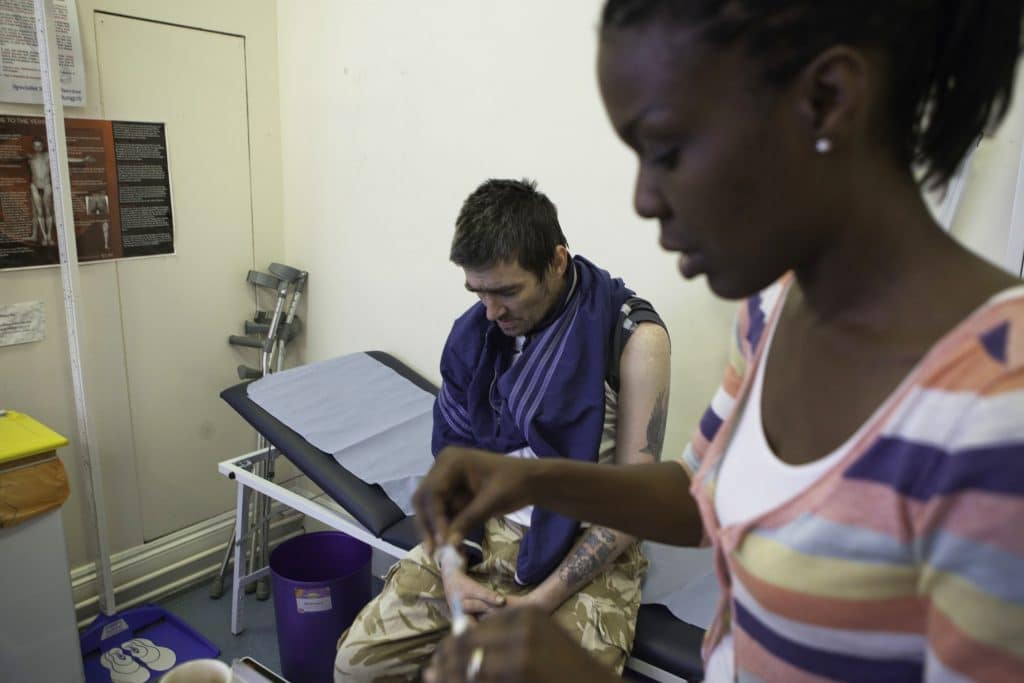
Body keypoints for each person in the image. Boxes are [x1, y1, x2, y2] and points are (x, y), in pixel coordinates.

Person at [413, 2, 1024, 682]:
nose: (645, 198)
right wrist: (528, 476)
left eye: (669, 149)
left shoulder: (996, 413)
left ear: (826, 101)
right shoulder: (771, 307)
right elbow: (701, 497)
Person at [333, 178, 672, 681]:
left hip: (581, 545)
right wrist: (451, 573)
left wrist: (539, 603)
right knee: (356, 666)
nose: (492, 312)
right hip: (479, 525)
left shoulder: (634, 340)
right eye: (479, 292)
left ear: (557, 262)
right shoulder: (477, 333)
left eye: (508, 292)